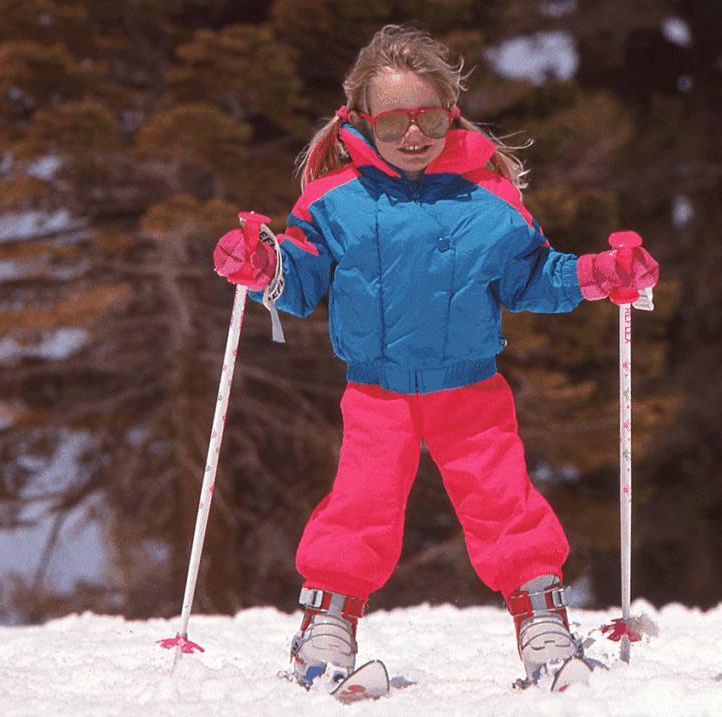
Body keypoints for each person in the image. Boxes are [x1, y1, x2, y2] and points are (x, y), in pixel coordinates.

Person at [213, 25, 658, 688]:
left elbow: (534, 275)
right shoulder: (334, 201)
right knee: (359, 503)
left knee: (504, 499)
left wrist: (603, 274)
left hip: (469, 388)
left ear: (451, 114)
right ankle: (327, 626)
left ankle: (542, 626)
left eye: (426, 116)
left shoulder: (489, 202)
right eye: (393, 120)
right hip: (376, 390)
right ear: (362, 121)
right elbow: (300, 280)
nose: (412, 133)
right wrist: (263, 263)